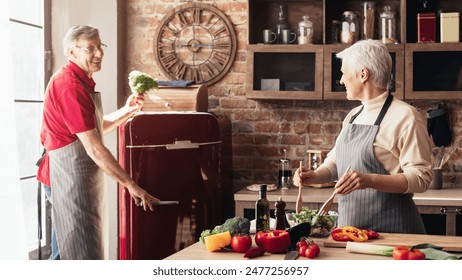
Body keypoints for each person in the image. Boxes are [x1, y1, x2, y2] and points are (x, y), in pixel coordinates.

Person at [36, 25, 159, 260]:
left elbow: (93, 128)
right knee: (75, 252)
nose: (99, 53)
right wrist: (130, 184)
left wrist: (128, 110)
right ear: (71, 52)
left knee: (68, 250)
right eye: (90, 49)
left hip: (73, 177)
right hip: (64, 178)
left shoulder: (82, 80)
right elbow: (93, 146)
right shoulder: (69, 86)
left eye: (99, 46)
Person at [294, 39, 433, 234]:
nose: (341, 80)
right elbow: (335, 162)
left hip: (393, 233)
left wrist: (368, 180)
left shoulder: (406, 116)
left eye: (344, 73)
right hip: (350, 232)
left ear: (363, 74)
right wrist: (314, 176)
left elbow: (421, 178)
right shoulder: (353, 116)